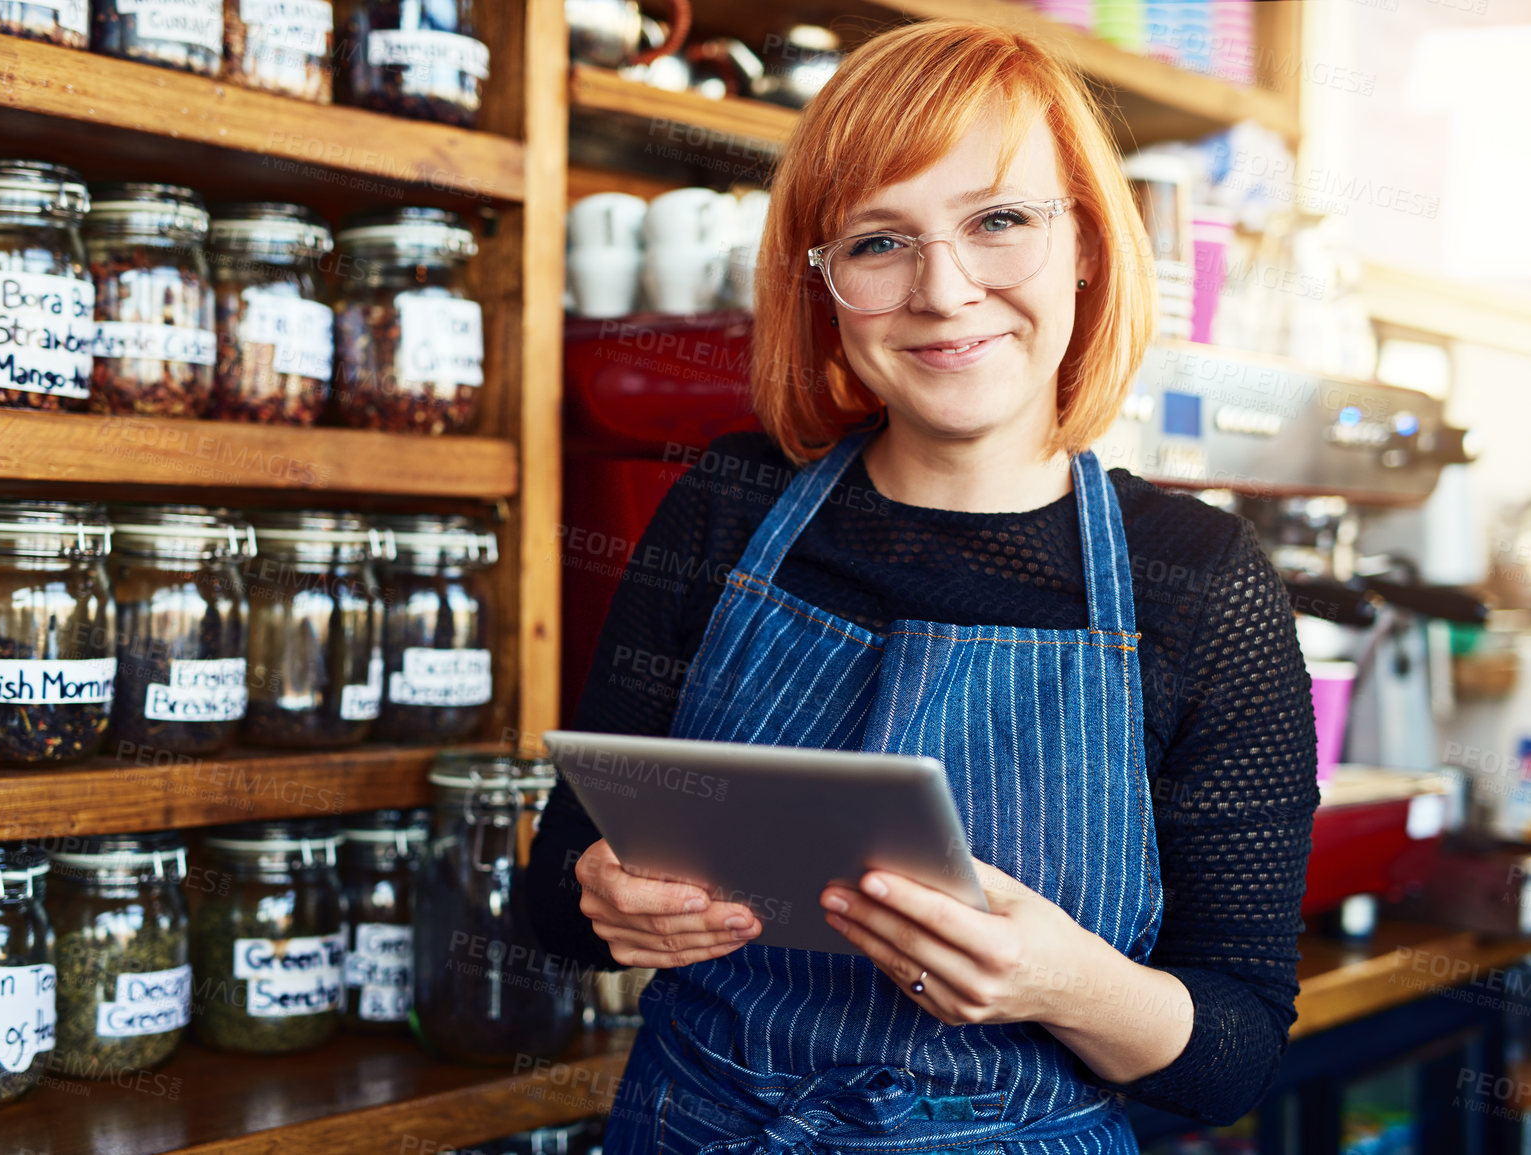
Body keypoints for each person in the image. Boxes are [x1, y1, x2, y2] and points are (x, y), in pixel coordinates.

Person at [528, 18, 1318, 1153]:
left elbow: (1235, 1058)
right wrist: (602, 898)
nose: (944, 292)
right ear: (823, 281)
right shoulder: (730, 504)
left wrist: (1067, 985)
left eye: (999, 221)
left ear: (1089, 244)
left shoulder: (1199, 584)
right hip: (689, 1123)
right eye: (878, 242)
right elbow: (555, 898)